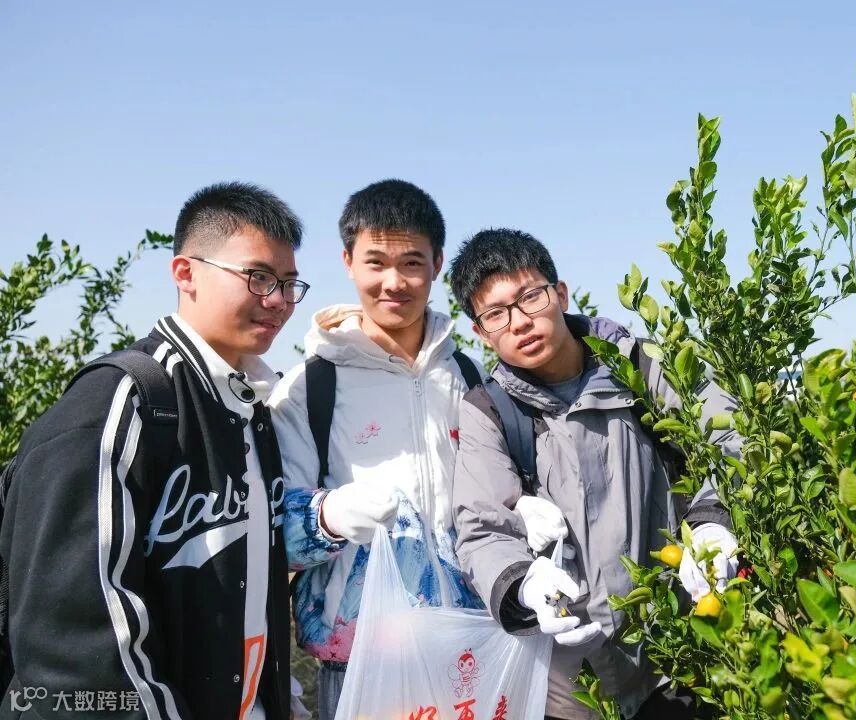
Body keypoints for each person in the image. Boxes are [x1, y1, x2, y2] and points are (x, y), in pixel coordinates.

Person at [0, 183, 308, 718]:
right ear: (186, 273)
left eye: (287, 283)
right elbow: (74, 644)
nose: (278, 300)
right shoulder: (122, 403)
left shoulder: (252, 408)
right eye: (258, 277)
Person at [448, 228, 744, 720]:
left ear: (561, 294)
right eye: (496, 314)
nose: (520, 322)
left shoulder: (643, 368)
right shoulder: (489, 411)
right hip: (571, 688)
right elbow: (482, 528)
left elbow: (732, 440)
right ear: (481, 332)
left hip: (675, 658)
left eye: (530, 297)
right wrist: (522, 583)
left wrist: (714, 520)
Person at [270, 179, 490, 718]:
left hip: (469, 648)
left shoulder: (468, 377)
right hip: (360, 657)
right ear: (348, 261)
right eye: (376, 262)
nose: (394, 282)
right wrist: (328, 518)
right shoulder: (310, 388)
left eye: (412, 263)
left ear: (437, 265)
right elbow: (272, 531)